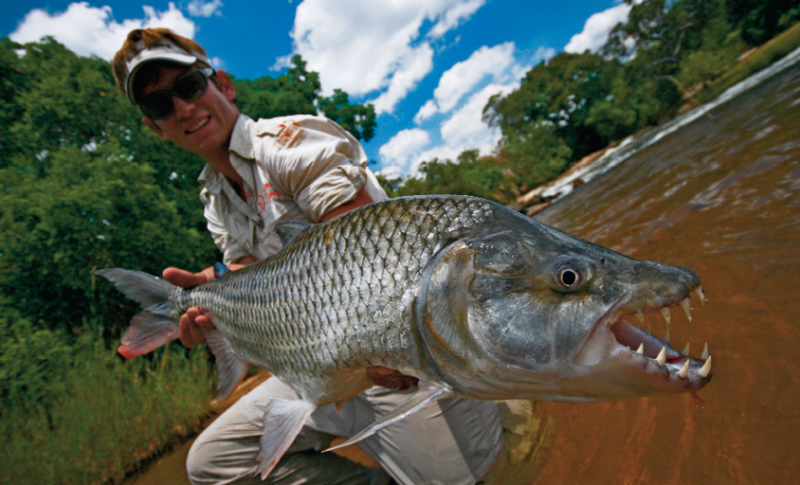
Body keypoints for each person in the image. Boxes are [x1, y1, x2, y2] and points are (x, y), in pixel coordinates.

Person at [112, 28, 503, 485]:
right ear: (154, 127)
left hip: (392, 356)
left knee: (485, 476)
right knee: (213, 464)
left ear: (223, 85)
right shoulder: (213, 198)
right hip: (314, 363)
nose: (182, 108)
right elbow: (247, 273)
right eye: (160, 106)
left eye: (189, 87)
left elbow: (371, 257)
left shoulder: (291, 143)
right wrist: (212, 290)